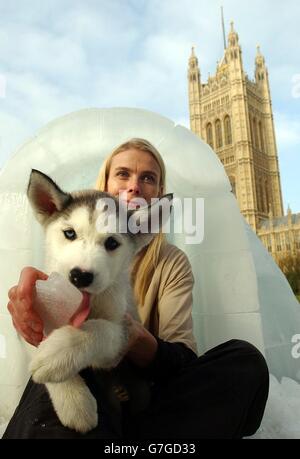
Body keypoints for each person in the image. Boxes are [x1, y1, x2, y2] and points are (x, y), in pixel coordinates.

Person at [3, 138, 269, 439]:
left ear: (156, 197)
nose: (134, 186)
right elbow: (41, 340)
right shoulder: (64, 243)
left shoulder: (171, 262)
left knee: (245, 361)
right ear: (104, 182)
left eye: (148, 178)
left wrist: (128, 336)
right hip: (90, 401)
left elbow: (182, 359)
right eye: (123, 174)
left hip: (146, 396)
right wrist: (31, 311)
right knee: (60, 364)